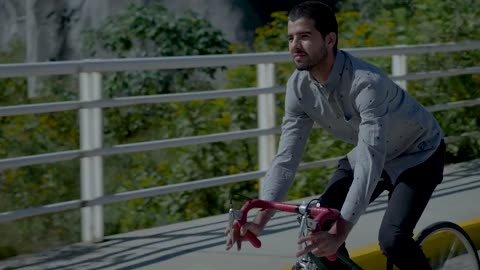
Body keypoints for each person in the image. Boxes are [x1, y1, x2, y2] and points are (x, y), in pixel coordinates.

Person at [225, 1, 445, 269]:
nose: (295, 45)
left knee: (392, 239)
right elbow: (286, 157)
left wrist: (343, 228)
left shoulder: (366, 83)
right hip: (373, 154)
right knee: (320, 223)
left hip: (418, 154)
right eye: (291, 38)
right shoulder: (298, 87)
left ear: (330, 40)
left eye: (305, 37)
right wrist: (261, 218)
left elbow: (370, 160)